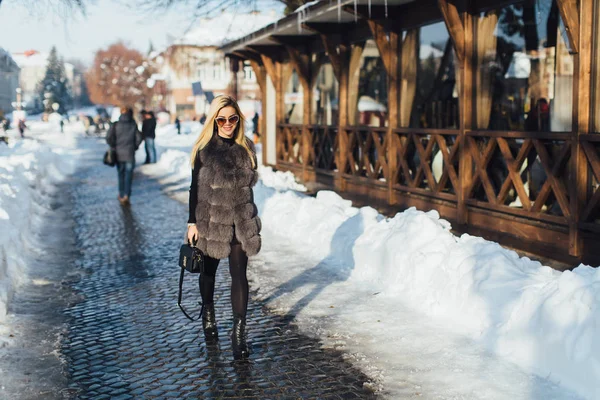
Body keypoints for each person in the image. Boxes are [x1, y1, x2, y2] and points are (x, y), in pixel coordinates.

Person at [186, 95, 261, 360]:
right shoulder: (204, 149)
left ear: (239, 119)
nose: (227, 123)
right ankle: (208, 312)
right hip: (211, 221)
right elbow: (195, 188)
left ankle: (239, 335)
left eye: (232, 118)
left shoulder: (247, 148)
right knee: (208, 274)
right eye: (222, 119)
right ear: (214, 121)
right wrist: (192, 223)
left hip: (240, 220)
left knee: (239, 275)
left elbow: (249, 191)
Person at [106, 107, 142, 205]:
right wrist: (134, 147)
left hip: (118, 154)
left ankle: (121, 194)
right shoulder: (133, 124)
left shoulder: (116, 124)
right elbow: (139, 138)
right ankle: (127, 195)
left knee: (121, 174)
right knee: (128, 175)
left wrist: (114, 146)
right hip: (130, 153)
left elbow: (108, 138)